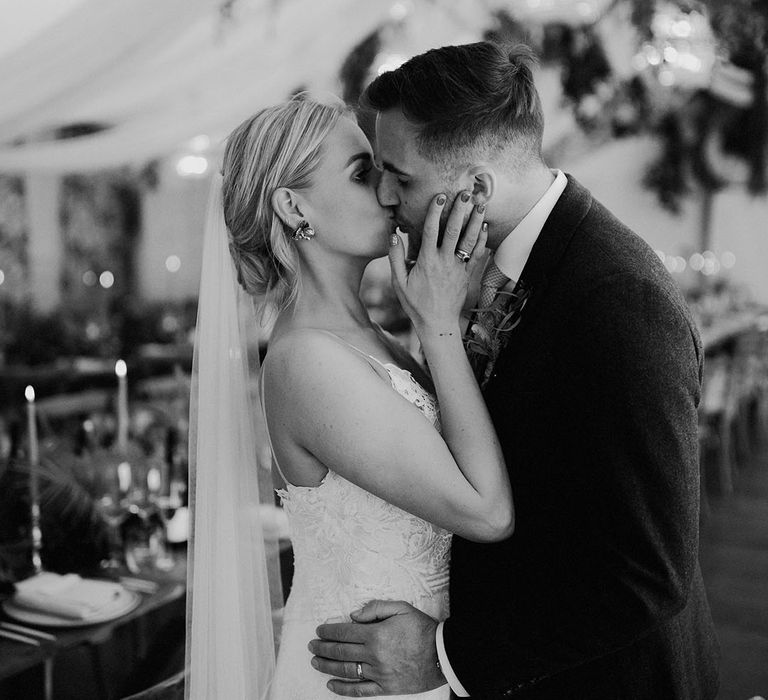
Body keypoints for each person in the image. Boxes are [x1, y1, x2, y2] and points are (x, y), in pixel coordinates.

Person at [310, 42, 720, 699]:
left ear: (474, 187)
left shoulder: (617, 294)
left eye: (402, 178)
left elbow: (647, 571)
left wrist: (447, 657)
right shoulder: (493, 263)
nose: (386, 196)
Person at [187, 92, 515, 699]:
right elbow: (486, 513)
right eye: (364, 174)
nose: (390, 194)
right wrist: (439, 326)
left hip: (415, 669)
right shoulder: (306, 361)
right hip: (359, 683)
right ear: (292, 206)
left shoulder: (373, 339)